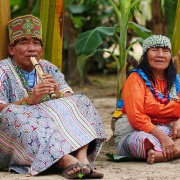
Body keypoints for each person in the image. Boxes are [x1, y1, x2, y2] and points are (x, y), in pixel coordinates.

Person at [0, 14, 106, 179]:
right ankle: (64, 160)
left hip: (51, 126)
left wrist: (58, 94)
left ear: (41, 49)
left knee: (81, 101)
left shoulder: (48, 67)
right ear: (11, 49)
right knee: (11, 113)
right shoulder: (2, 70)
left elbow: (70, 96)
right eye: (24, 43)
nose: (32, 48)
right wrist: (28, 101)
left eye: (36, 43)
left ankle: (81, 157)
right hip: (20, 132)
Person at [114, 35, 180, 164]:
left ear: (170, 57)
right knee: (144, 141)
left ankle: (162, 155)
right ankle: (169, 150)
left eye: (165, 51)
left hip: (171, 130)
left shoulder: (176, 81)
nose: (160, 54)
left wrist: (179, 121)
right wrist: (162, 137)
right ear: (145, 55)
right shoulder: (135, 79)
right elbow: (136, 116)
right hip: (138, 131)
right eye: (155, 50)